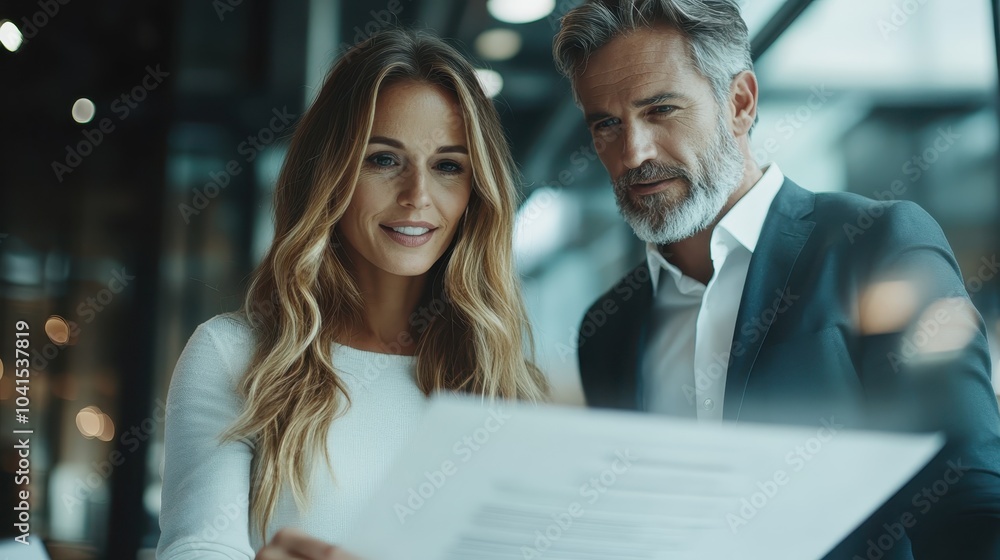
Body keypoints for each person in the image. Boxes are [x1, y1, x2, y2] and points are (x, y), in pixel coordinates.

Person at [553, 1, 1000, 558]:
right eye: (607, 124)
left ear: (740, 103)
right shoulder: (606, 328)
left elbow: (967, 501)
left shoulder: (876, 245)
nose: (633, 152)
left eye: (662, 110)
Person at [156, 28, 548, 560]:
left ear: (476, 194)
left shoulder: (506, 381)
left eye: (448, 166)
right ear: (330, 173)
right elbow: (198, 548)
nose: (417, 196)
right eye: (383, 159)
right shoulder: (236, 356)